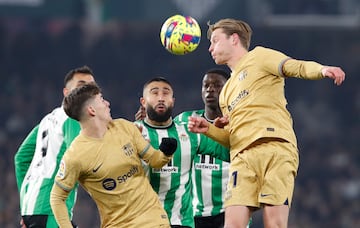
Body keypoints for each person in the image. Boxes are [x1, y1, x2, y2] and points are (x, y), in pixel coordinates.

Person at [187, 18, 345, 228]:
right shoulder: (225, 94)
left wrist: (322, 70)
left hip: (275, 147)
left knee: (275, 224)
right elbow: (233, 138)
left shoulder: (260, 56)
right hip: (242, 157)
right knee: (232, 225)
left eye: (215, 41)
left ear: (234, 39)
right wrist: (209, 130)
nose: (210, 48)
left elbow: (293, 66)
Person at [50, 83, 177, 228]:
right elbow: (57, 198)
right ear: (91, 110)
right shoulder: (75, 156)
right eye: (101, 99)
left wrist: (166, 153)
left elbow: (155, 160)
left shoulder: (125, 127)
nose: (107, 103)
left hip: (154, 220)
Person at [135, 77, 229, 228]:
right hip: (142, 222)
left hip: (180, 222)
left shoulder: (189, 132)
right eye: (154, 93)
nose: (160, 98)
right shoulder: (132, 132)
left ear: (173, 101)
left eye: (166, 93)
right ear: (143, 102)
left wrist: (219, 133)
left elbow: (228, 153)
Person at [14, 65, 96, 228]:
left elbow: (20, 158)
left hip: (32, 208)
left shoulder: (47, 120)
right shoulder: (73, 117)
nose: (87, 91)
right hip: (52, 209)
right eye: (81, 86)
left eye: (91, 87)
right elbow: (79, 156)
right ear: (66, 93)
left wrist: (25, 207)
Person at [174, 68, 231, 228]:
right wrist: (147, 122)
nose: (210, 89)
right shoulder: (185, 120)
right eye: (206, 85)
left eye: (217, 85)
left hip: (231, 209)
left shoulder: (239, 123)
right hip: (193, 214)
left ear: (229, 89)